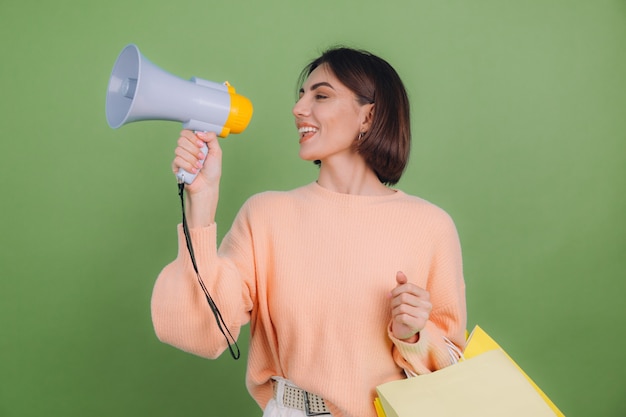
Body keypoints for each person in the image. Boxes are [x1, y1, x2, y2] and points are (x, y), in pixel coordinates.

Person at [151, 47, 467, 417]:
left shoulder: (429, 226)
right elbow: (199, 331)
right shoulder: (266, 214)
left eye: (321, 95)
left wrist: (414, 336)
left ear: (369, 115)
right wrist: (200, 205)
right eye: (301, 96)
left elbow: (452, 369)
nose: (299, 109)